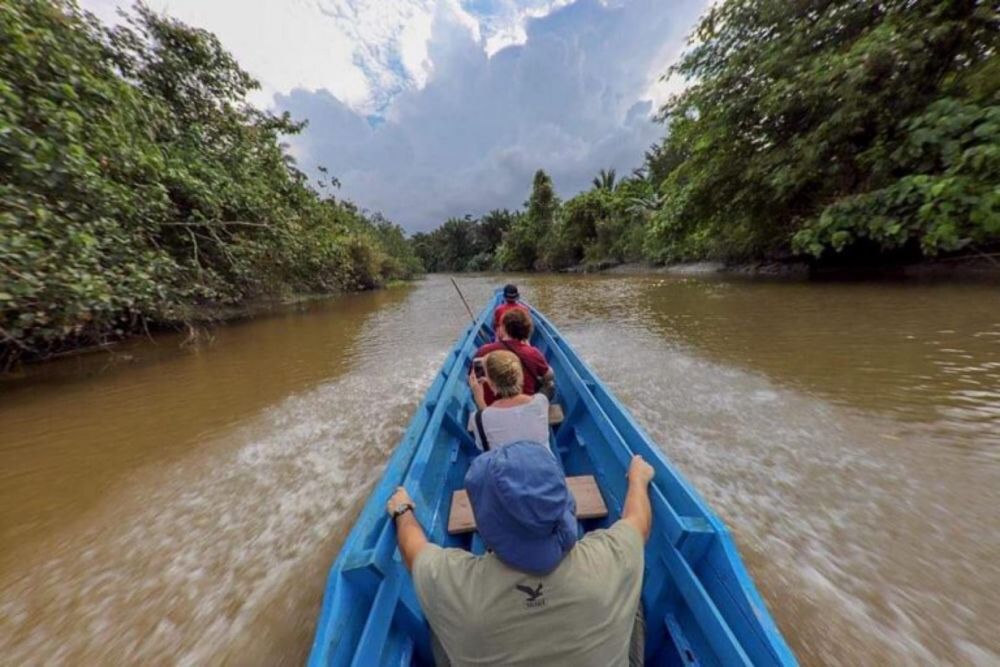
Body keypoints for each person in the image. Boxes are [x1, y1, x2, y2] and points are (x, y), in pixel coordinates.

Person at [386, 443, 654, 666]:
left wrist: (403, 511)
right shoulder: (611, 557)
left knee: (438, 617)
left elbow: (413, 549)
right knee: (633, 588)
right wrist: (638, 480)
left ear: (485, 523)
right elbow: (637, 520)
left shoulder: (451, 582)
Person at [467, 350, 550, 451]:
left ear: (492, 384)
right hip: (544, 465)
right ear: (520, 376)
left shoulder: (478, 418)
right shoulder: (541, 401)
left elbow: (484, 447)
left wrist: (479, 400)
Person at [474, 308, 554, 406]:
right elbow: (549, 375)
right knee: (550, 384)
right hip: (525, 405)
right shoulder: (533, 353)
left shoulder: (483, 350)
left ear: (503, 329)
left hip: (490, 406)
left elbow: (473, 379)